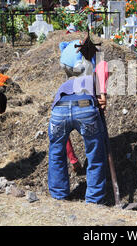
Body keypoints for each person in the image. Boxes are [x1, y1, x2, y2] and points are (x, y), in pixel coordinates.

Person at [48, 60, 109, 204]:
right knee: (95, 154)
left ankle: (59, 195)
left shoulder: (67, 85)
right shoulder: (94, 79)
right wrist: (103, 94)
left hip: (59, 109)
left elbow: (63, 140)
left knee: (56, 153)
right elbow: (104, 64)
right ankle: (94, 200)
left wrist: (73, 158)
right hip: (85, 106)